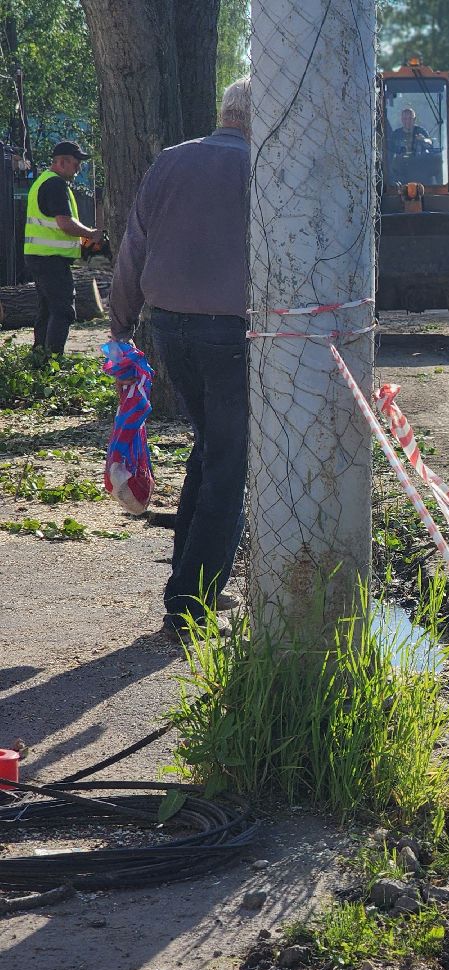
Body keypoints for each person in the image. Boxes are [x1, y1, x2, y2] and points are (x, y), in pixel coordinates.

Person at [108, 77, 251, 643]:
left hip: (169, 327)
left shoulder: (170, 161)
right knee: (229, 465)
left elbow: (133, 245)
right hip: (232, 333)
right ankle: (190, 607)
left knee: (211, 449)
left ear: (225, 112)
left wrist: (120, 327)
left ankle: (188, 584)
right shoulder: (263, 168)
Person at [24, 140, 101, 357]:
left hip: (40, 256)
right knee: (63, 310)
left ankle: (40, 358)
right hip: (50, 259)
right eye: (76, 164)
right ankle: (53, 359)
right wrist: (91, 233)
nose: (78, 169)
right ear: (62, 162)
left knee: (47, 309)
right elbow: (65, 223)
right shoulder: (55, 184)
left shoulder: (44, 181)